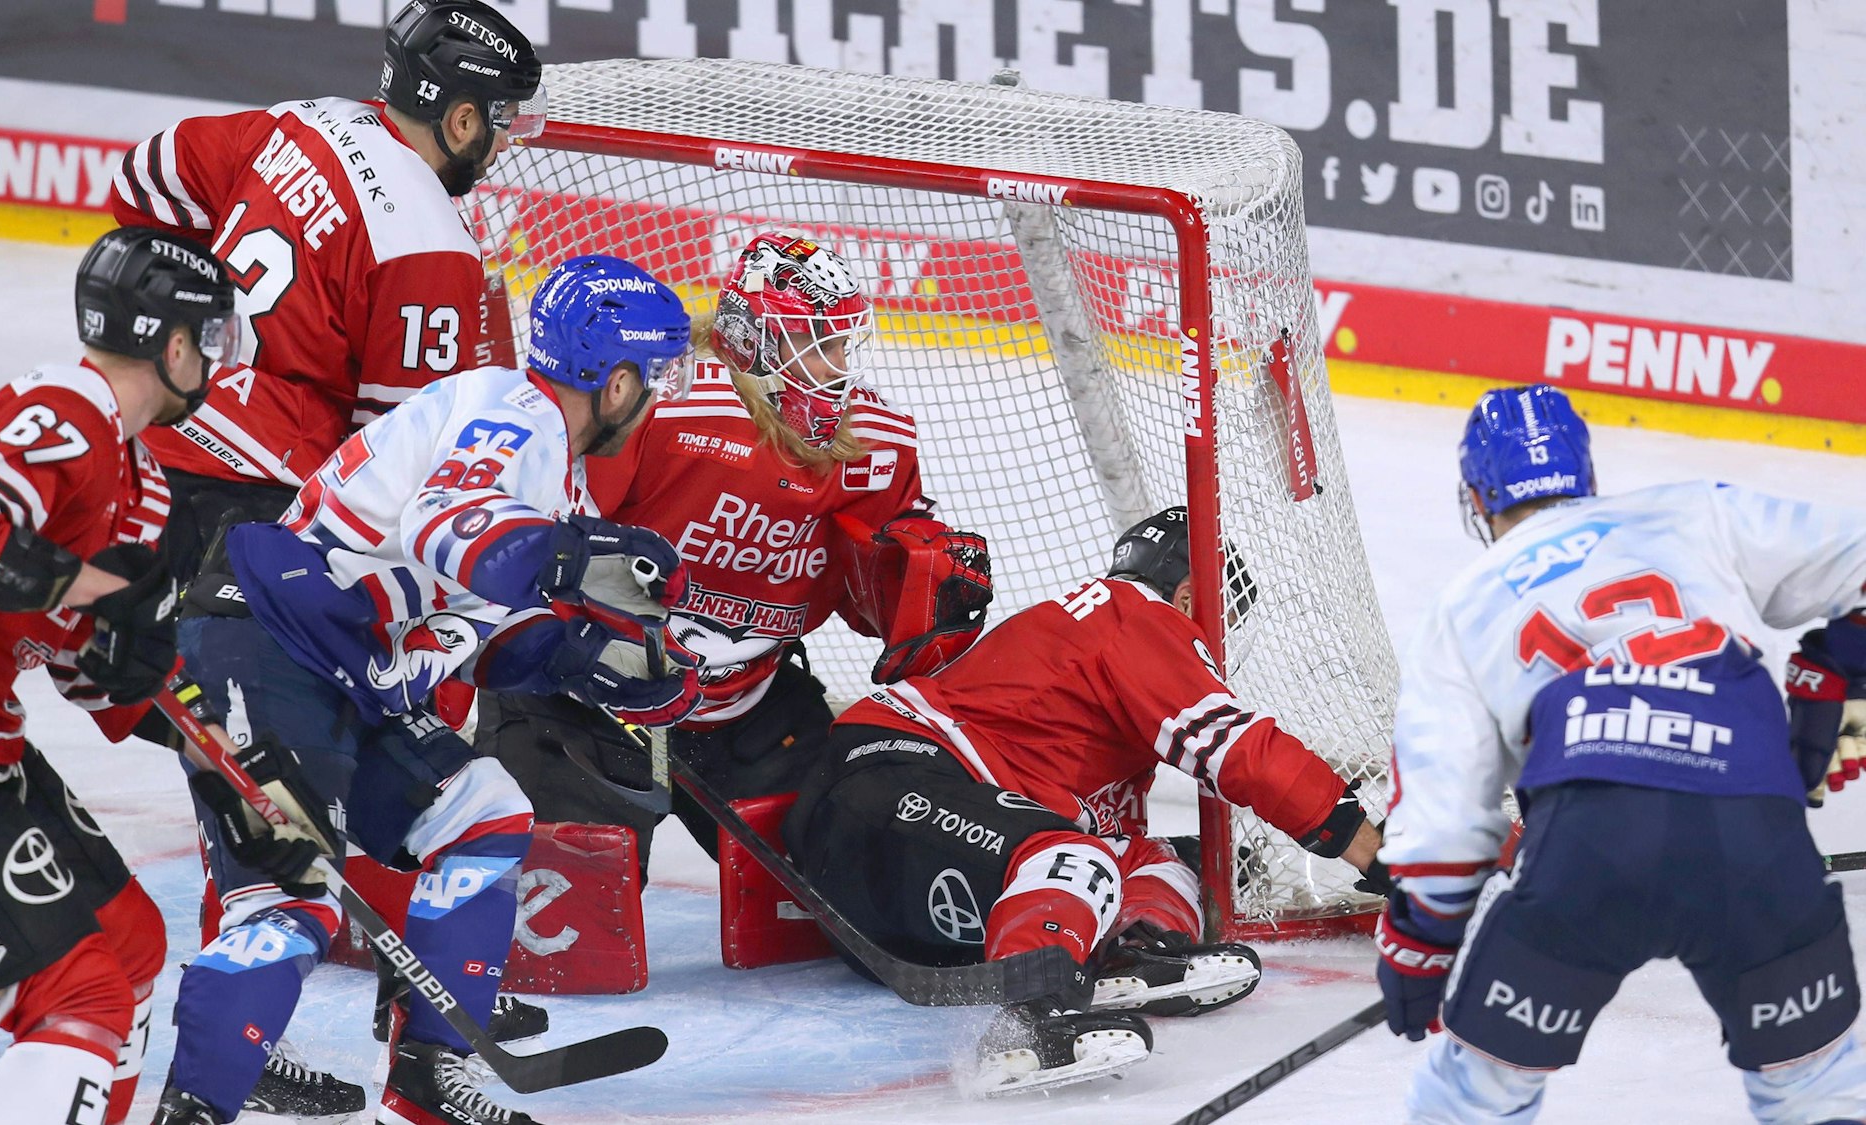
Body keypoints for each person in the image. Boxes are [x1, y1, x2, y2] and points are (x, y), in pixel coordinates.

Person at [109, 1, 544, 1111]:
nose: (499, 145)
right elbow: (409, 463)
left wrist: (197, 345)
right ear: (452, 117)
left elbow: (151, 173)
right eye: (494, 122)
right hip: (258, 520)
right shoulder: (429, 251)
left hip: (159, 450)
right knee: (298, 766)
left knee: (240, 770)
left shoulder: (301, 122)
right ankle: (287, 1014)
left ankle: (269, 1018)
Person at [149, 255, 701, 1125]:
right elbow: (453, 533)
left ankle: (429, 1076)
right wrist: (578, 557)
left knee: (482, 809)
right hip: (262, 648)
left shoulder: (549, 465)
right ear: (618, 376)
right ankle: (192, 1111)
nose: (660, 394)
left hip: (347, 673)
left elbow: (483, 627)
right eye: (659, 372)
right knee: (290, 898)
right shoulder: (515, 416)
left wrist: (592, 662)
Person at [1375, 384, 1866, 1123]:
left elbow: (1445, 827)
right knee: (1817, 1090)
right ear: (1586, 474)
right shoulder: (1696, 509)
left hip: (1591, 851)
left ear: (1478, 496)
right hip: (1754, 828)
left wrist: (1420, 939)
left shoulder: (1462, 603)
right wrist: (1837, 667)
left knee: (1471, 1100)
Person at [782, 505, 1387, 1094]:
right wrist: (1371, 849)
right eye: (1221, 613)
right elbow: (1238, 749)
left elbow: (1110, 831)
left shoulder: (1090, 679)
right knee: (1075, 858)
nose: (1216, 640)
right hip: (883, 786)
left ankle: (1134, 954)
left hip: (902, 893)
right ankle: (1028, 1020)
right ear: (1184, 597)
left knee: (1151, 860)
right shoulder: (1135, 615)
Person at [475, 229, 993, 879]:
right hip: (592, 697)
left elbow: (873, 605)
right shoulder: (658, 403)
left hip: (748, 709)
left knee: (853, 881)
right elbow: (535, 540)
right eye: (814, 343)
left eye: (839, 343)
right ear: (755, 341)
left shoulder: (877, 445)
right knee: (566, 918)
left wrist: (922, 585)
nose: (834, 367)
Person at [0, 226, 233, 1123]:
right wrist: (105, 588)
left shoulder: (142, 484)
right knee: (80, 995)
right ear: (175, 344)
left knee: (130, 943)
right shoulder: (65, 407)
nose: (217, 362)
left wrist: (220, 738)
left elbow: (90, 672)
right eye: (210, 340)